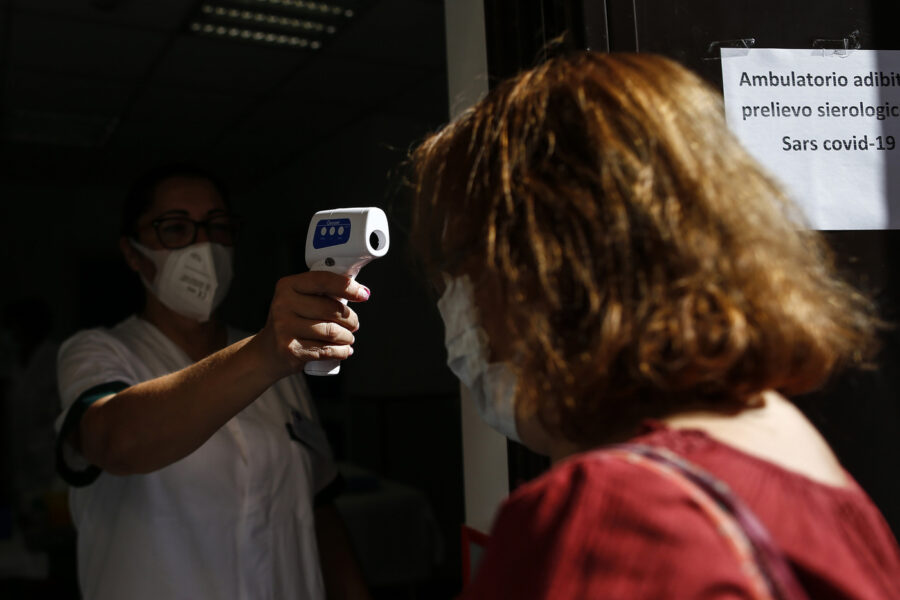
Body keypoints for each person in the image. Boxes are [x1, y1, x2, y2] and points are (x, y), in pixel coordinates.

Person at [410, 53, 900, 598]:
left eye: (460, 266)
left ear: (539, 269)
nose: (459, 307)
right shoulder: (809, 467)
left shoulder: (606, 516)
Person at [54, 165, 371, 600]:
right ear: (132, 253)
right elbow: (114, 441)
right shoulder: (97, 352)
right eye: (176, 228)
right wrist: (264, 354)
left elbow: (317, 504)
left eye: (218, 227)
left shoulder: (281, 361)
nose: (204, 245)